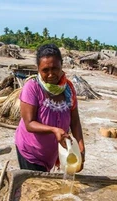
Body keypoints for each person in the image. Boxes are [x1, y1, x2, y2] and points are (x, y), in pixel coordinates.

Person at [15, 44, 85, 172]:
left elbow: (75, 121)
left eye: (55, 68)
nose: (51, 74)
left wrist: (81, 147)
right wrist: (54, 130)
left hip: (52, 153)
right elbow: (29, 124)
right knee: (35, 187)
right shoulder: (32, 87)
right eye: (45, 70)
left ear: (61, 66)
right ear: (38, 69)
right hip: (31, 151)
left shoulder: (68, 88)